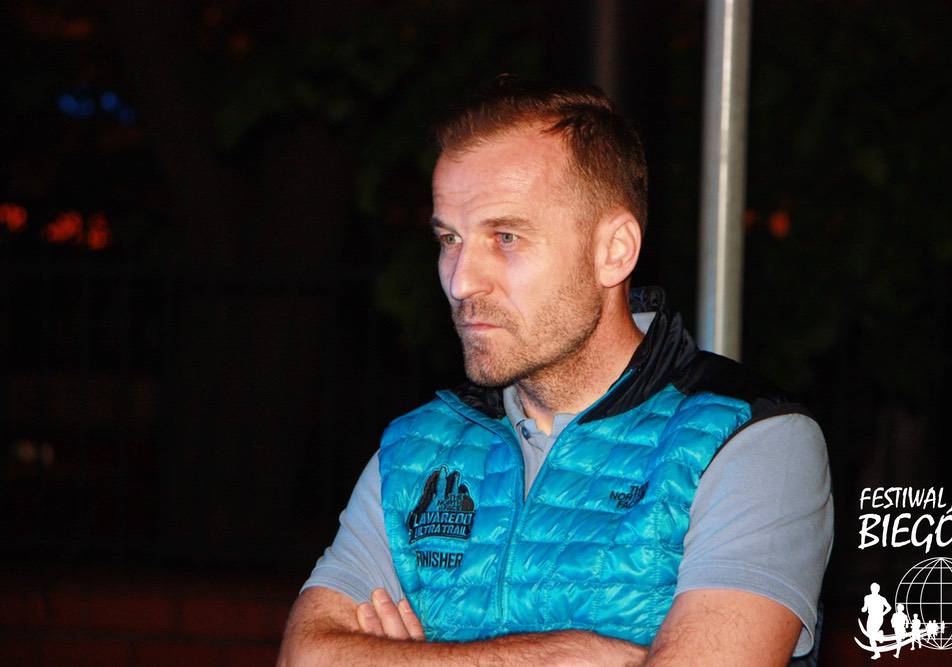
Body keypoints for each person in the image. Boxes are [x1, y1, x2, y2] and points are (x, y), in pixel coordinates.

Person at [278, 77, 833, 666]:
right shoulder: (418, 448)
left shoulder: (749, 438)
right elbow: (306, 656)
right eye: (450, 239)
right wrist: (571, 654)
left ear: (614, 250)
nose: (461, 281)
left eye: (506, 236)